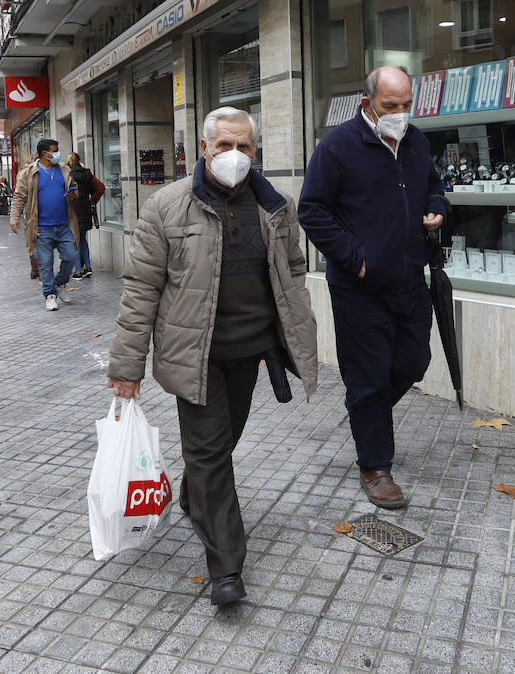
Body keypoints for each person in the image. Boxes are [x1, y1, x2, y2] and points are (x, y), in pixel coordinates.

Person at [107, 106, 317, 607]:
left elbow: (292, 271)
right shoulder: (166, 207)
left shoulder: (276, 206)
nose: (234, 156)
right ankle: (226, 565)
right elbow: (140, 290)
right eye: (224, 146)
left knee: (219, 447)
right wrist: (126, 368)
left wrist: (295, 333)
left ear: (255, 150)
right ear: (203, 148)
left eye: (244, 146)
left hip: (250, 354)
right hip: (192, 356)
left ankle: (193, 493)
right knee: (210, 452)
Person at [298, 66, 447, 508]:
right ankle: (376, 467)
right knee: (367, 379)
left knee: (414, 361)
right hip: (359, 288)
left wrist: (437, 208)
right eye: (390, 106)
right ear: (367, 104)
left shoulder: (417, 142)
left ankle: (367, 412)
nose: (400, 115)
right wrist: (355, 259)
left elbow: (435, 188)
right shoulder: (338, 146)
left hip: (410, 283)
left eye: (406, 106)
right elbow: (313, 211)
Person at [10, 138, 81, 310]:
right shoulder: (29, 173)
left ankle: (61, 283)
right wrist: (15, 217)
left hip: (65, 225)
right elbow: (19, 196)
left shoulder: (64, 170)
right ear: (44, 154)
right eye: (54, 151)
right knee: (45, 263)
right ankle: (49, 294)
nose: (58, 154)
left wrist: (74, 194)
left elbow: (75, 188)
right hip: (41, 227)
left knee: (71, 256)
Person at [64, 152, 106, 278]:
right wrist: (91, 200)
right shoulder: (87, 174)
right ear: (79, 161)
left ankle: (78, 270)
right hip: (85, 210)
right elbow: (101, 187)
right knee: (83, 240)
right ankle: (87, 266)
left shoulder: (67, 174)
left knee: (74, 241)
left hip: (73, 211)